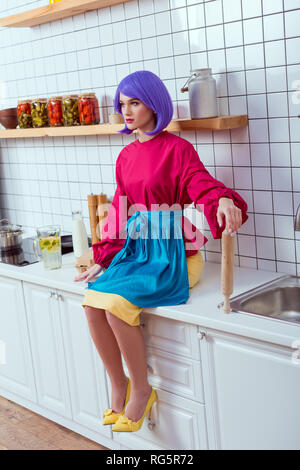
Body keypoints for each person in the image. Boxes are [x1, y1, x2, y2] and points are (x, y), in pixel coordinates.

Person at [74, 70, 248, 433]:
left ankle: (142, 390)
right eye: (122, 104)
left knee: (118, 307)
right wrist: (102, 257)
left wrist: (221, 201)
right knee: (92, 304)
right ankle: (118, 383)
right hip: (137, 251)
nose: (127, 111)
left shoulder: (177, 149)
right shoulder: (125, 157)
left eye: (134, 102)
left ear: (154, 103)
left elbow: (200, 182)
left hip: (174, 253)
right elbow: (120, 209)